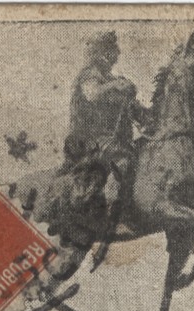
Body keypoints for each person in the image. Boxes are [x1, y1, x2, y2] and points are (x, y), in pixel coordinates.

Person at [64, 31, 145, 203]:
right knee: (122, 160)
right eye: (112, 50)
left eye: (115, 50)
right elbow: (92, 94)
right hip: (88, 141)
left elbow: (136, 111)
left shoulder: (115, 80)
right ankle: (112, 212)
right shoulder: (89, 75)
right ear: (101, 53)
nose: (117, 54)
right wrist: (115, 85)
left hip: (113, 140)